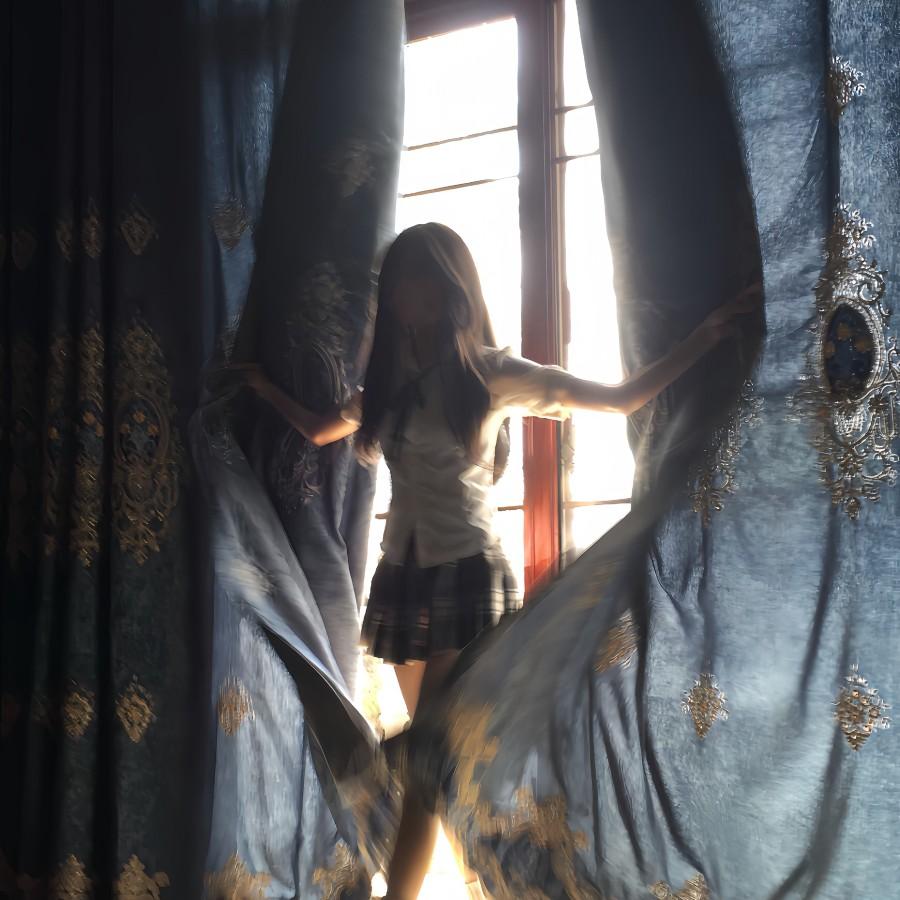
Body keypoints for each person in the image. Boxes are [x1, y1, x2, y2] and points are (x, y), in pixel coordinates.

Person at [230, 222, 757, 899]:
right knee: (444, 772)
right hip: (402, 583)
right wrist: (259, 387)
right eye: (395, 282)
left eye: (415, 279)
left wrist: (705, 336)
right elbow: (320, 427)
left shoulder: (491, 373)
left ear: (449, 287)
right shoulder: (390, 383)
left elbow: (618, 398)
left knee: (426, 758)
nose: (401, 295)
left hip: (469, 575)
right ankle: (492, 883)